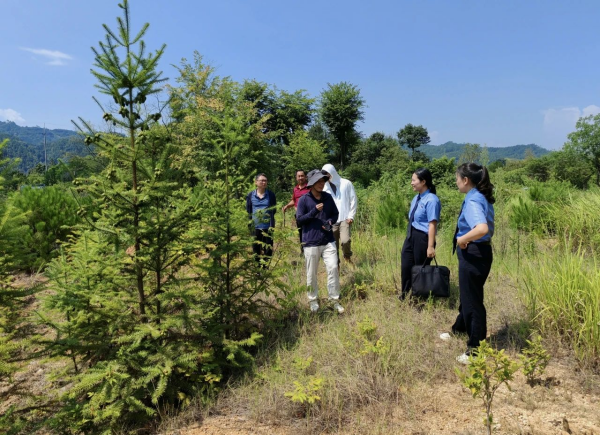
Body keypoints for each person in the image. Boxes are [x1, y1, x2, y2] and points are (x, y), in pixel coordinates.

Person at [446, 163, 495, 365]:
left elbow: (481, 228)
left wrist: (462, 239)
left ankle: (475, 350)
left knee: (473, 301)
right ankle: (460, 328)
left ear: (465, 180)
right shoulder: (479, 196)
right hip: (479, 252)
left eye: (457, 178)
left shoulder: (474, 199)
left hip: (473, 253)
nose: (456, 182)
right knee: (468, 294)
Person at [296, 169, 344, 314]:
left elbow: (335, 214)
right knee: (311, 273)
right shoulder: (304, 200)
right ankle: (313, 300)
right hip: (311, 242)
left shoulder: (328, 197)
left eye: (323, 181)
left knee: (333, 268)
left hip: (328, 240)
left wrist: (330, 222)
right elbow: (299, 220)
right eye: (318, 181)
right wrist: (314, 212)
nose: (321, 184)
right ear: (311, 183)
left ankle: (334, 300)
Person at [400, 168, 441, 299]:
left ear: (423, 182)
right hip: (411, 235)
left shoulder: (432, 200)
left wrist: (430, 246)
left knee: (420, 268)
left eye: (414, 180)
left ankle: (419, 298)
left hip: (423, 238)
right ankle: (405, 294)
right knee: (406, 265)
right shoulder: (416, 198)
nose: (411, 183)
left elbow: (432, 224)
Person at [321, 164, 357, 265]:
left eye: (327, 174)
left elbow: (353, 199)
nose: (326, 176)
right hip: (331, 220)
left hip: (345, 218)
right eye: (324, 174)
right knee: (333, 244)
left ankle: (347, 257)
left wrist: (351, 216)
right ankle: (336, 264)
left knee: (345, 240)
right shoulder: (324, 187)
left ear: (332, 172)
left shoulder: (346, 183)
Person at [245, 173, 277, 268]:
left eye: (265, 181)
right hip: (255, 227)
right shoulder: (250, 195)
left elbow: (273, 209)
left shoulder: (271, 195)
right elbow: (249, 210)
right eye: (262, 180)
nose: (264, 182)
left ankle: (265, 268)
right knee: (256, 249)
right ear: (256, 182)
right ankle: (257, 268)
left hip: (268, 227)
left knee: (268, 249)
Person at [282, 169, 310, 252]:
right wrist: (286, 206)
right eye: (299, 176)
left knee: (309, 232)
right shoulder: (295, 189)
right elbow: (294, 201)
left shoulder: (310, 187)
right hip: (299, 215)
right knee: (301, 232)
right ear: (296, 178)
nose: (300, 178)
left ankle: (311, 250)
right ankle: (303, 251)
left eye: (302, 176)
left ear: (305, 177)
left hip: (308, 214)